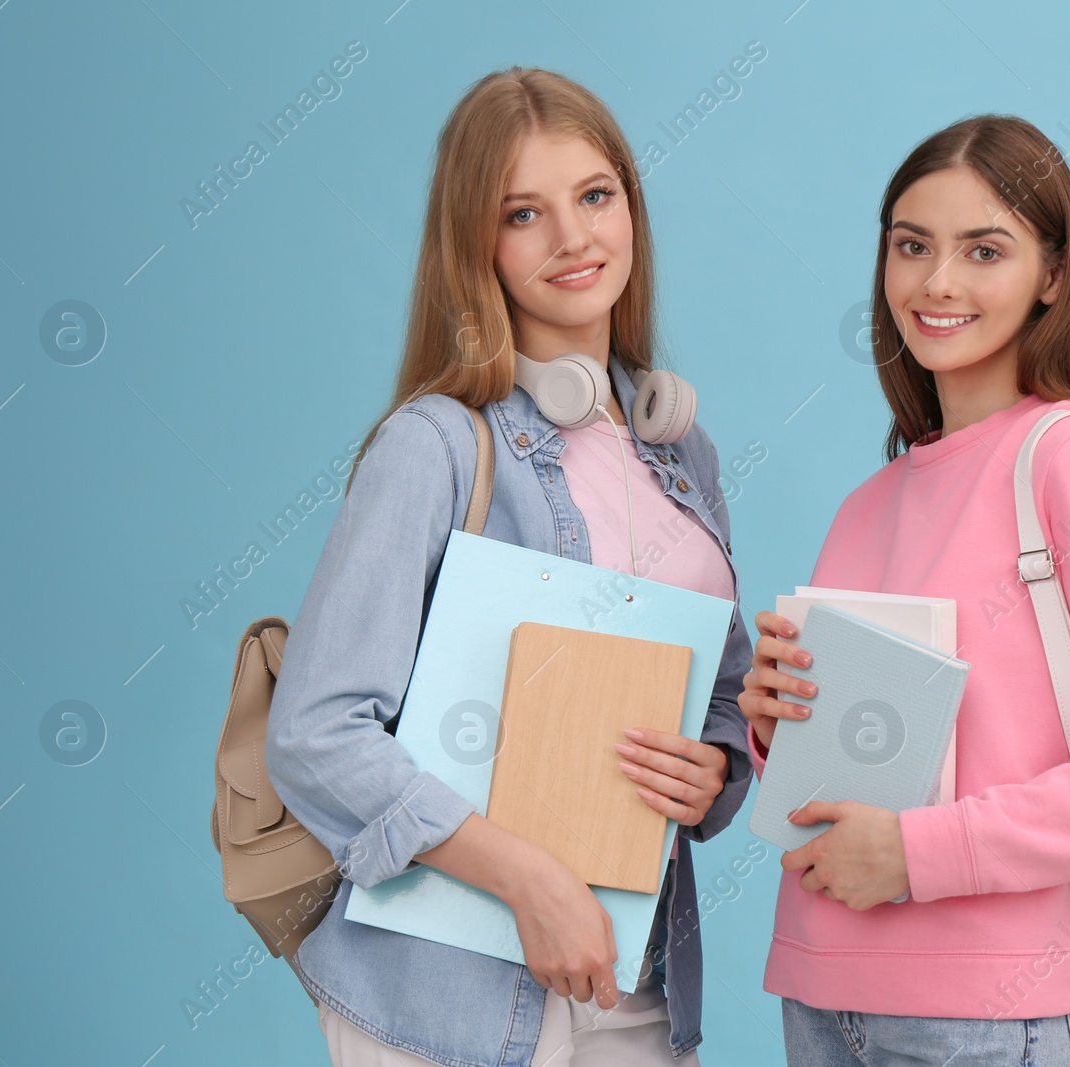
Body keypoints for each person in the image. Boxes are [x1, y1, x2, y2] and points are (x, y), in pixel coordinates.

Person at [264, 67, 753, 1067]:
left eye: (594, 196)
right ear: (475, 243)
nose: (573, 238)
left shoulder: (682, 453)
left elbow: (719, 700)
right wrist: (529, 877)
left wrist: (717, 766)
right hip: (451, 1000)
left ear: (629, 206)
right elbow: (315, 734)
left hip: (633, 975)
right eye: (523, 212)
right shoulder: (435, 445)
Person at [737, 114, 1070, 1066]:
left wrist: (919, 858)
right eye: (912, 246)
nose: (937, 283)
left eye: (983, 250)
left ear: (1052, 275)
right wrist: (774, 724)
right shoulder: (867, 503)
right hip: (819, 988)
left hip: (985, 1013)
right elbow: (857, 780)